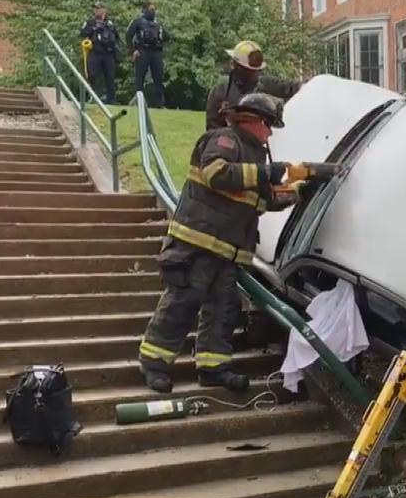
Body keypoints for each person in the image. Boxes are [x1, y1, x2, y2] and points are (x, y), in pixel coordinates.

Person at [136, 93, 340, 393]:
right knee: (182, 304)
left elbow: (265, 198)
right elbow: (217, 174)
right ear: (252, 121)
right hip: (196, 246)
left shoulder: (254, 154)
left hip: (230, 253)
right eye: (269, 125)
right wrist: (274, 171)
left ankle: (213, 367)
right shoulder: (224, 140)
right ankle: (154, 364)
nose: (270, 133)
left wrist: (300, 190)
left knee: (223, 310)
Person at [205, 40, 303, 131]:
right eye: (250, 71)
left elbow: (294, 88)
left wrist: (313, 85)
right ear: (236, 66)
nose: (254, 74)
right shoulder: (220, 92)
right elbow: (212, 129)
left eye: (256, 71)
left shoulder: (268, 85)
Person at [125, 1, 169, 108]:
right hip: (143, 50)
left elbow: (167, 36)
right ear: (145, 9)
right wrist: (133, 50)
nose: (153, 12)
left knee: (158, 78)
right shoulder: (138, 21)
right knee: (140, 78)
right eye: (151, 9)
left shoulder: (158, 23)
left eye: (154, 10)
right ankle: (138, 103)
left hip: (156, 51)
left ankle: (160, 104)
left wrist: (162, 37)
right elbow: (128, 35)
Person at [79, 1, 119, 104]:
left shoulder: (110, 24)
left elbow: (116, 37)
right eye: (95, 8)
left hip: (108, 53)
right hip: (95, 51)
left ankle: (111, 99)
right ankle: (94, 96)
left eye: (98, 8)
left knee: (110, 76)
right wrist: (93, 28)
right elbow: (83, 33)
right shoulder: (90, 22)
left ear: (104, 10)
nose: (96, 10)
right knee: (92, 74)